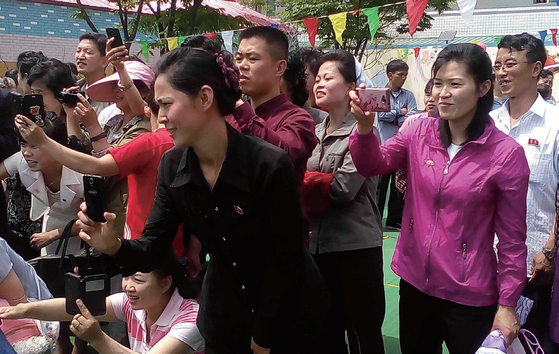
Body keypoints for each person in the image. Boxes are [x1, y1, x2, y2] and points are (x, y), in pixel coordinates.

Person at [74, 47, 328, 354]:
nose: (161, 117)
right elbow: (154, 246)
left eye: (166, 104)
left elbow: (284, 260)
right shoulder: (172, 164)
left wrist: (263, 338)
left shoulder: (267, 164)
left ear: (205, 98)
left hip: (287, 312)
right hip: (225, 308)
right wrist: (113, 245)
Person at [348, 43, 529, 353]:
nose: (442, 93)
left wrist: (508, 303)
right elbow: (372, 164)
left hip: (470, 295)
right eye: (439, 83)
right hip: (415, 284)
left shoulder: (506, 155)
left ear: (483, 88)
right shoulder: (418, 132)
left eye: (455, 84)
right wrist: (365, 129)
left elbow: (512, 240)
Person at [303, 49, 385, 354]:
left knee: (364, 333)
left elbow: (342, 189)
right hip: (317, 246)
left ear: (351, 87)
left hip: (355, 248)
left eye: (329, 77)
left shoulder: (364, 132)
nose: (319, 84)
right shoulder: (313, 133)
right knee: (326, 330)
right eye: (317, 78)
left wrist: (300, 183)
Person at [492, 32, 559, 353]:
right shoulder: (488, 124)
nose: (501, 72)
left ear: (535, 69)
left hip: (534, 266)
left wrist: (549, 249)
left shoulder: (555, 125)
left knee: (531, 345)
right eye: (497, 65)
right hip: (484, 262)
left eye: (509, 64)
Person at [0, 253, 205, 353]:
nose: (127, 286)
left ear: (165, 283)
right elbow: (75, 306)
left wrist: (98, 339)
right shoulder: (131, 303)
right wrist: (23, 310)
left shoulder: (191, 320)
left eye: (138, 280)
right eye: (126, 277)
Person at [232, 26, 317, 188]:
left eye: (252, 59)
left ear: (279, 68)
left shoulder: (299, 119)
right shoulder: (229, 115)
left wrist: (239, 108)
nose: (242, 65)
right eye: (239, 58)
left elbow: (280, 154)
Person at [0, 117, 84, 256]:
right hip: (51, 225)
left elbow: (94, 219)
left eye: (35, 146)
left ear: (56, 146)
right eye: (23, 144)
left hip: (85, 233)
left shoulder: (81, 172)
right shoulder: (21, 160)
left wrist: (54, 234)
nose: (27, 152)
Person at [376, 59, 417, 231]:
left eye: (406, 75)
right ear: (390, 75)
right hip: (384, 145)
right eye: (400, 75)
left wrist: (394, 114)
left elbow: (413, 116)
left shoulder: (409, 95)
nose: (404, 78)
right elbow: (380, 114)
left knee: (398, 185)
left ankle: (394, 220)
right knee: (380, 185)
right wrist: (400, 112)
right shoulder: (380, 93)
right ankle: (376, 219)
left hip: (401, 145)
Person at [75, 32, 111, 115]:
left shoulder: (114, 95)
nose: (80, 56)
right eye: (78, 51)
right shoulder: (74, 89)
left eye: (88, 52)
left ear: (105, 61)